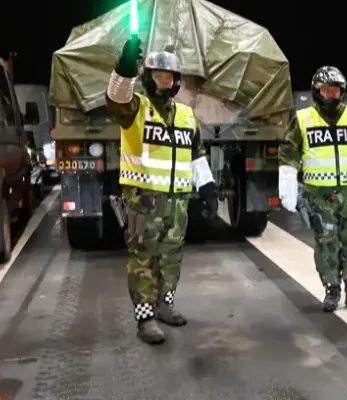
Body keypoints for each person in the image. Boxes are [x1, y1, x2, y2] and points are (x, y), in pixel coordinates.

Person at [106, 37, 218, 344]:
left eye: (169, 78)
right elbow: (115, 97)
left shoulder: (185, 115)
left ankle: (165, 304)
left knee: (170, 257)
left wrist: (208, 189)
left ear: (177, 82)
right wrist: (124, 68)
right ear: (147, 78)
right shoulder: (135, 109)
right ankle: (145, 318)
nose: (164, 83)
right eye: (158, 76)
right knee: (143, 259)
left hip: (177, 203)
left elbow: (196, 156)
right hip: (144, 201)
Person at [278, 66, 347, 314]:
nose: (332, 95)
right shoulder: (303, 120)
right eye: (327, 90)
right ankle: (331, 291)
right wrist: (288, 190)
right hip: (319, 196)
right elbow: (288, 156)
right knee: (327, 245)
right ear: (317, 91)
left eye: (336, 90)